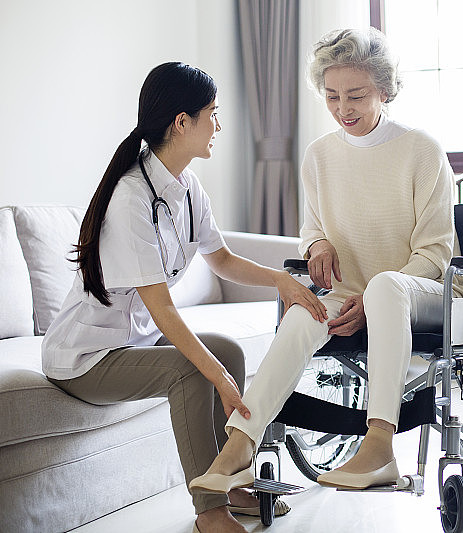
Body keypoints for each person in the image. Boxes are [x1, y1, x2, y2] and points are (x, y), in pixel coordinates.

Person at [41, 62, 327, 533]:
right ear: (181, 122)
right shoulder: (131, 197)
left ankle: (231, 482)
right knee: (192, 372)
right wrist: (215, 377)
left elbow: (223, 260)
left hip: (133, 340)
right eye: (212, 113)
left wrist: (281, 280)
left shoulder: (187, 187)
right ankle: (209, 513)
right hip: (87, 356)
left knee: (228, 350)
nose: (219, 125)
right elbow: (164, 310)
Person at [189, 27, 463, 498]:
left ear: (384, 89)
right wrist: (317, 247)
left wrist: (380, 292)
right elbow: (313, 228)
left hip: (426, 291)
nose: (344, 108)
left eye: (356, 95)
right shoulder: (319, 156)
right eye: (332, 96)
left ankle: (380, 444)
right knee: (303, 314)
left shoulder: (422, 150)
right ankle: (240, 445)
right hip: (352, 291)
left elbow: (436, 252)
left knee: (385, 288)